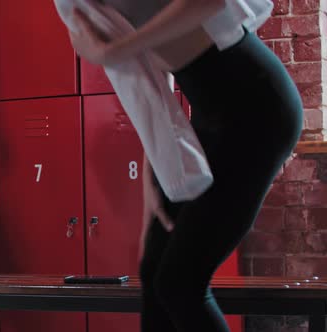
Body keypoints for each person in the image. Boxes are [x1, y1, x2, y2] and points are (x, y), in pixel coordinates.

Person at [67, 0, 303, 331]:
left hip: (255, 107)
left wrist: (114, 51)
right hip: (209, 114)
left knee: (180, 283)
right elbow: (153, 74)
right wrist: (157, 163)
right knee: (154, 272)